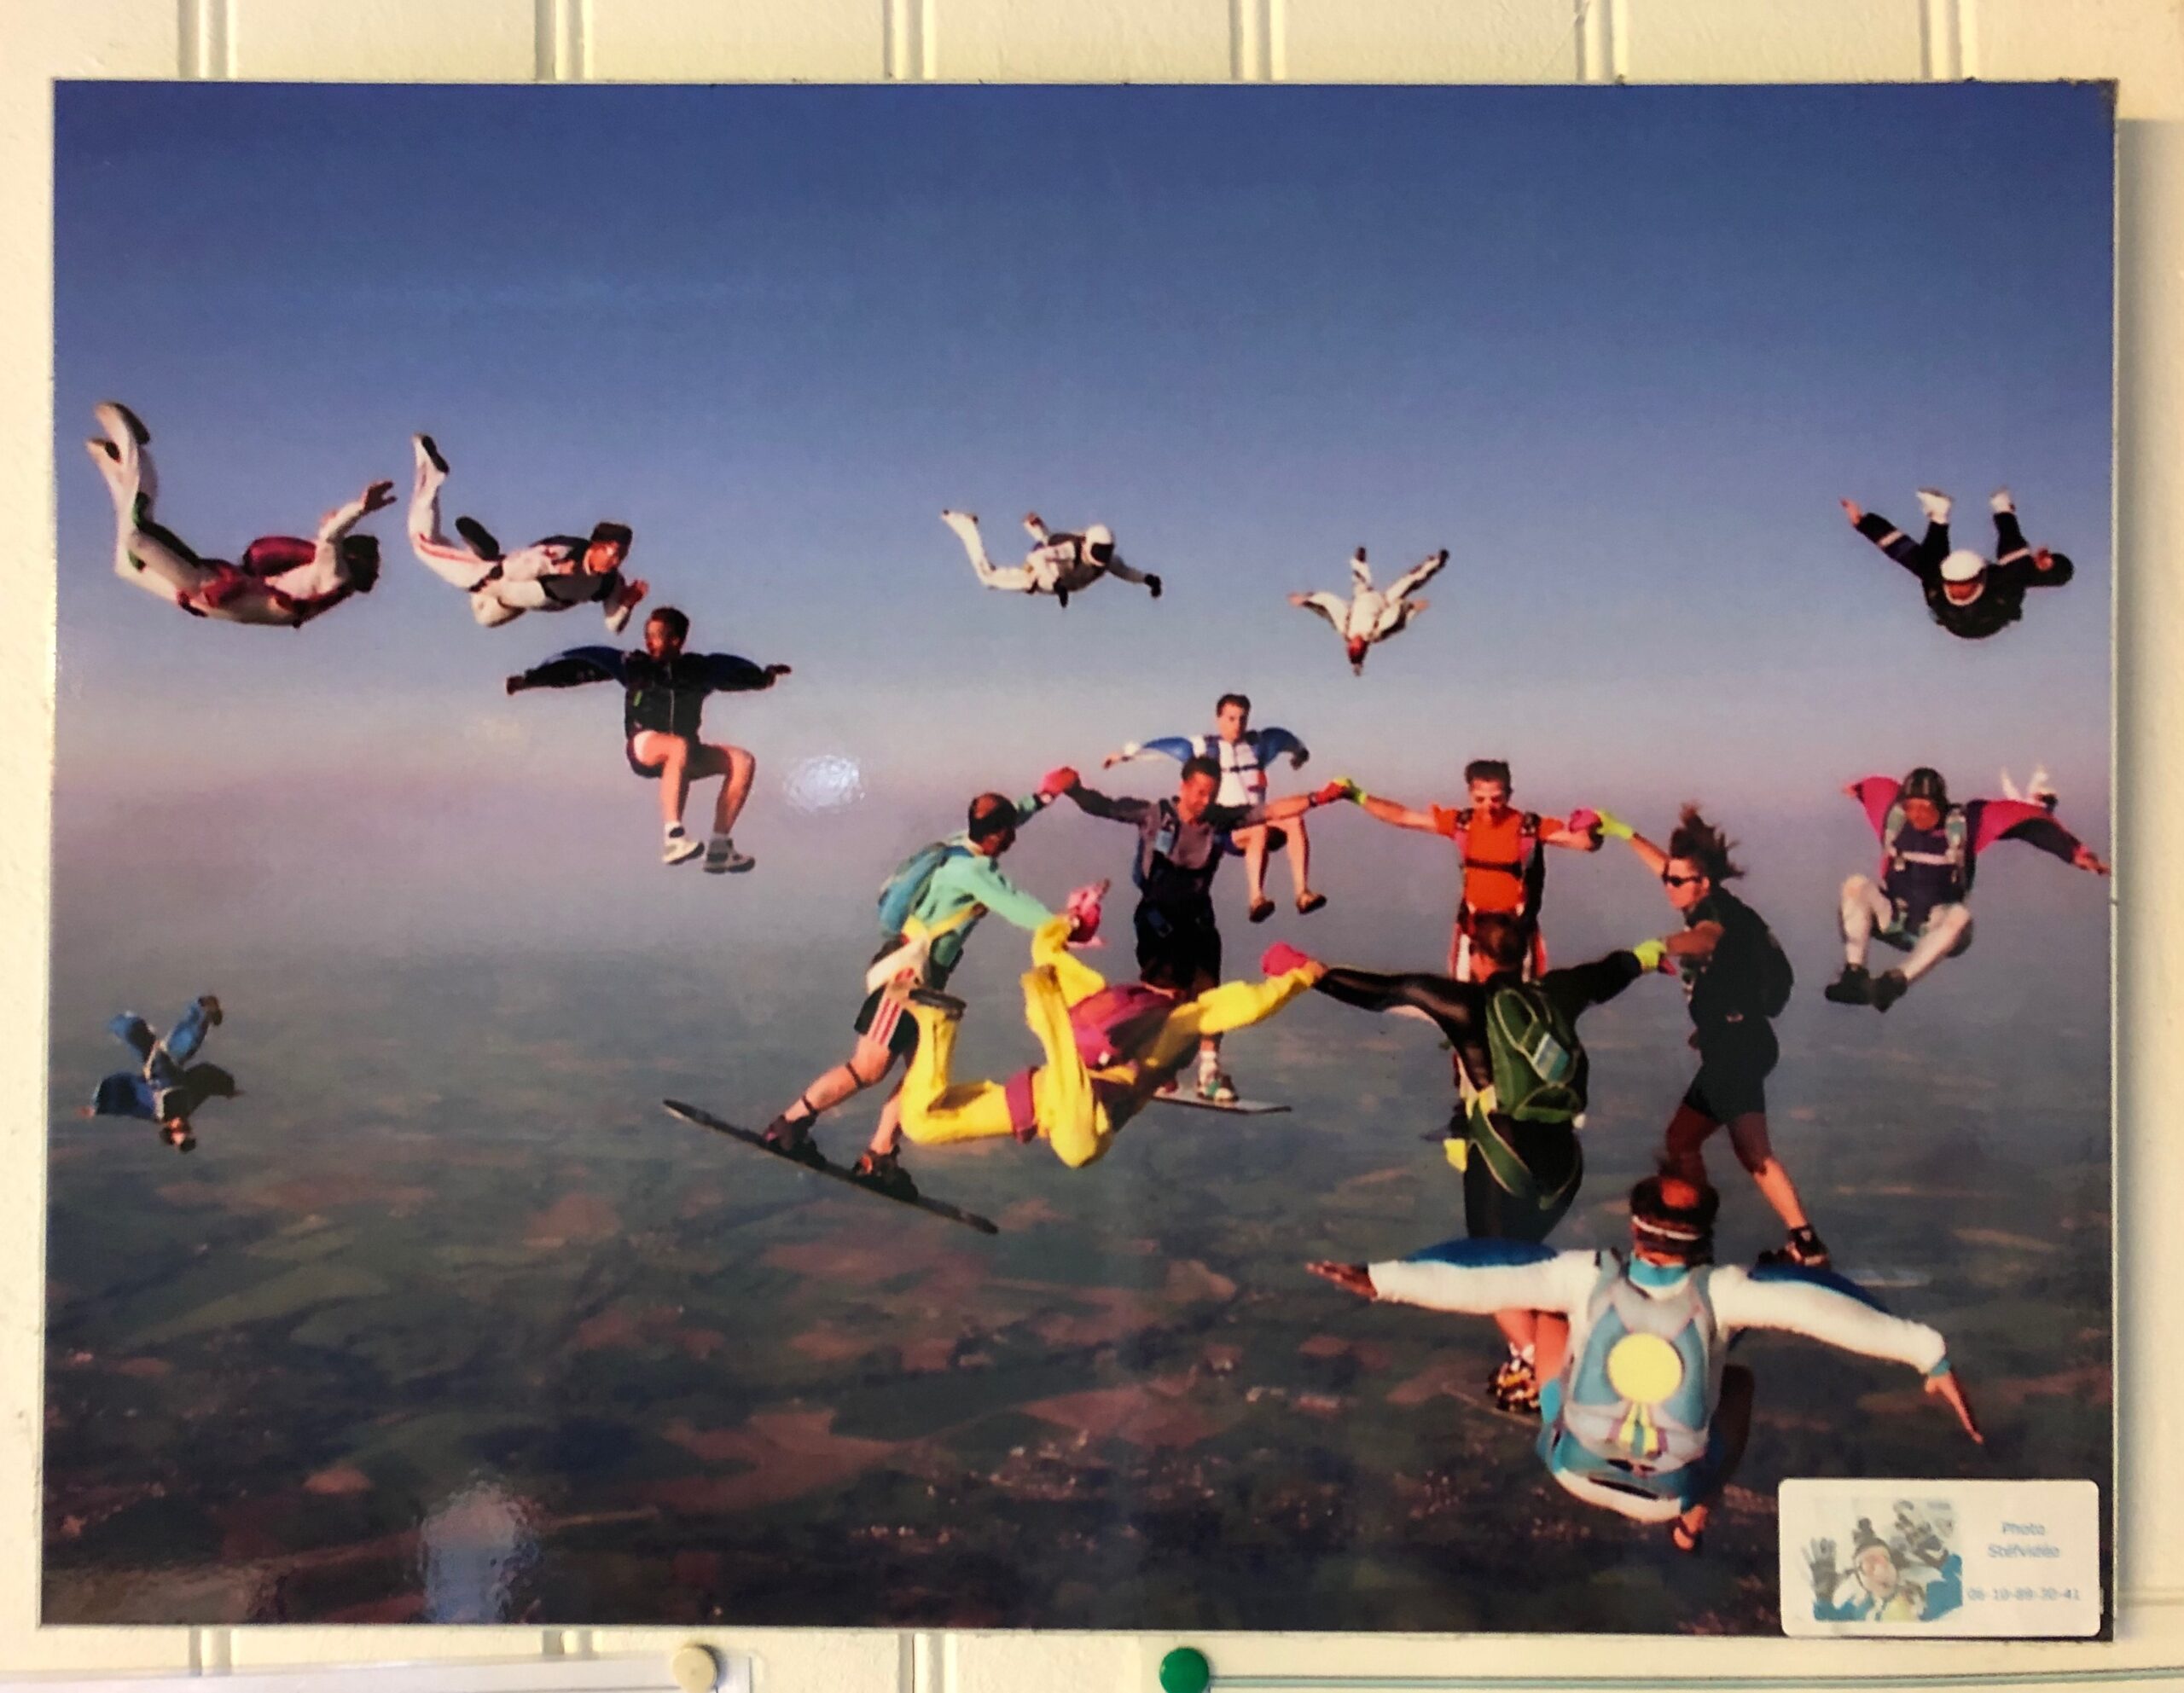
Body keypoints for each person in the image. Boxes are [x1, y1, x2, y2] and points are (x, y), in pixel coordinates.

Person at [1307, 1175, 1983, 1553]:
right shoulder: (1725, 1291)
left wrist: (1382, 1278)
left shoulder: (1584, 1274)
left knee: (1544, 1318)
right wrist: (1930, 1355)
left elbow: (1483, 1276)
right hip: (1670, 1498)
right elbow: (1832, 1315)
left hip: (1575, 1465)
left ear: (1636, 1230)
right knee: (1735, 1377)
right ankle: (1702, 1512)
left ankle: (1528, 1372)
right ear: (1705, 1237)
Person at [1303, 913, 1700, 1410]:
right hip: (1564, 1162)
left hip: (1503, 1152)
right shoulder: (1558, 992)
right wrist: (1648, 955)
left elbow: (1387, 991)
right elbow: (1614, 969)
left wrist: (1311, 975)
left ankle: (1540, 1367)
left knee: (1494, 1267)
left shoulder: (1466, 1001)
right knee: (1520, 1264)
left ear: (1476, 955)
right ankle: (1550, 1355)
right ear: (1529, 951)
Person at [758, 781, 1082, 1196]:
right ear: (999, 835)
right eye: (1009, 830)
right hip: (907, 980)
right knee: (870, 1067)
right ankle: (788, 1126)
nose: (1014, 836)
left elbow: (1003, 817)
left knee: (919, 1075)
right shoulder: (975, 872)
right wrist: (1070, 922)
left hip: (924, 982)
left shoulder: (958, 844)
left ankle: (879, 1155)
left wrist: (1041, 798)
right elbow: (1021, 907)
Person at [1591, 805, 1827, 1269]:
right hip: (1737, 1043)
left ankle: (1704, 1237)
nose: (1668, 886)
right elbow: (1666, 866)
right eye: (1668, 880)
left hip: (1738, 1047)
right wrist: (1623, 832)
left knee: (1745, 1152)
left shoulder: (1715, 912)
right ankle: (1800, 1242)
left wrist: (1661, 946)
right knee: (1693, 1141)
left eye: (1678, 882)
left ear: (1703, 883)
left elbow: (1706, 939)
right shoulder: (1709, 896)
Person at [894, 925, 1325, 1168]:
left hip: (1043, 1095)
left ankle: (939, 1024)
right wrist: (1298, 977)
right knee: (1078, 1150)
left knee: (921, 1124)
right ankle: (1046, 1025)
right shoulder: (1176, 1022)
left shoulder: (1105, 997)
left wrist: (1069, 922)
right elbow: (1240, 1007)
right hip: (1080, 1099)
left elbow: (1044, 949)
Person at [1058, 762, 1345, 1103]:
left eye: (1211, 793)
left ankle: (1209, 1071)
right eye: (1199, 792)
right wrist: (1073, 789)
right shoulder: (1154, 814)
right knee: (1165, 998)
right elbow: (1104, 806)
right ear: (1183, 787)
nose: (1204, 800)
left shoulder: (1219, 820)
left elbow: (1271, 810)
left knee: (1209, 994)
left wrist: (1318, 798)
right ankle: (1154, 1065)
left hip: (1197, 918)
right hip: (1157, 920)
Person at [505, 607, 789, 871]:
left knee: (742, 760)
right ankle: (673, 837)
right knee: (676, 745)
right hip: (645, 745)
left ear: (677, 641)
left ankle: (719, 846)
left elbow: (735, 677)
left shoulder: (699, 669)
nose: (649, 641)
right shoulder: (634, 665)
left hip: (686, 753)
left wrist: (765, 678)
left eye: (657, 636)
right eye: (647, 635)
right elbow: (580, 670)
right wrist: (529, 680)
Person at [1826, 766, 2109, 1011]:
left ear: (1941, 805)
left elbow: (2025, 822)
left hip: (1938, 929)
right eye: (1911, 807)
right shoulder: (1895, 819)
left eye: (1927, 808)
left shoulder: (1964, 824)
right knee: (1855, 886)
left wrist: (2073, 853)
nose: (1918, 815)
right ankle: (1854, 976)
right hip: (1895, 920)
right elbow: (1880, 788)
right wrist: (1860, 789)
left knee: (1959, 916)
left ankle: (1892, 984)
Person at [86, 403, 390, 628]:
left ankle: (127, 461)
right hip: (209, 590)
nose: (375, 575)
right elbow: (329, 538)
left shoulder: (334, 578)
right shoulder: (334, 576)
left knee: (129, 553)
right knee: (133, 541)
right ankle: (130, 451)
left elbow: (330, 538)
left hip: (211, 593)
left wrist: (357, 511)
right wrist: (355, 511)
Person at [1333, 759, 1602, 980]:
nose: (1489, 807)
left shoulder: (1526, 827)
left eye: (1497, 799)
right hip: (1473, 926)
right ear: (1470, 794)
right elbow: (1403, 817)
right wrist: (1357, 796)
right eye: (1480, 798)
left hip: (1515, 931)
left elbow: (1583, 843)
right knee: (1465, 996)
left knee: (1522, 998)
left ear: (1509, 794)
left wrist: (1596, 827)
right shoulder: (1462, 824)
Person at [1101, 693, 1326, 923]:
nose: (1237, 725)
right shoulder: (1205, 748)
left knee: (1295, 820)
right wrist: (1124, 755)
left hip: (1257, 818)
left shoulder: (1258, 744)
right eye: (1231, 718)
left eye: (1242, 719)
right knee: (1257, 830)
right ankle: (1256, 899)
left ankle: (1302, 893)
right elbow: (1166, 747)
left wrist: (1300, 756)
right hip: (1227, 827)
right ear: (1218, 719)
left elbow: (1288, 741)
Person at [409, 434, 648, 632]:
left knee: (484, 618)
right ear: (595, 545)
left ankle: (480, 551)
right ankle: (431, 475)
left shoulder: (611, 581)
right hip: (492, 578)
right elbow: (513, 568)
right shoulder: (564, 551)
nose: (617, 562)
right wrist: (554, 568)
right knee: (422, 543)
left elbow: (613, 625)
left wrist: (627, 604)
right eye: (613, 553)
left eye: (623, 556)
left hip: (513, 603)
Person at [1841, 487, 2074, 641]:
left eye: (1963, 586)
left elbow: (2061, 576)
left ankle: (2004, 510)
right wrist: (1863, 523)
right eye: (1952, 585)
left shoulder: (2001, 582)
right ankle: (1939, 514)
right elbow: (1899, 549)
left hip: (1993, 621)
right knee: (1926, 564)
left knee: (2018, 565)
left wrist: (2049, 565)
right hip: (1955, 625)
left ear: (1979, 578)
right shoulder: (1938, 580)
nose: (1957, 591)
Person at [83, 995, 235, 1153]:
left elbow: (126, 1106)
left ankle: (118, 1020)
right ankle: (203, 1010)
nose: (184, 1125)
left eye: (180, 1129)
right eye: (187, 1128)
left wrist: (99, 1107)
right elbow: (203, 1080)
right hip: (172, 1058)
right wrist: (227, 1088)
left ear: (169, 1129)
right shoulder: (188, 1104)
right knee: (192, 1039)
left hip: (152, 1059)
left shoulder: (152, 1110)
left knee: (130, 1031)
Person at [939, 509, 1162, 606]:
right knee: (987, 578)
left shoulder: (1106, 561)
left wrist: (1147, 579)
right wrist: (1055, 584)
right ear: (1088, 545)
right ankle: (967, 527)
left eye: (1106, 551)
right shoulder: (1072, 551)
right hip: (1041, 578)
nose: (1102, 557)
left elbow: (1124, 571)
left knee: (1051, 546)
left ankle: (1041, 532)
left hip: (1063, 583)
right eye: (1099, 551)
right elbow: (1036, 558)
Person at [1289, 545, 1447, 674]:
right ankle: (1436, 563)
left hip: (1362, 596)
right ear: (1361, 647)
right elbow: (1396, 621)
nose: (1353, 643)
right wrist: (1411, 608)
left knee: (1360, 581)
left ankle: (1359, 563)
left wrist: (1305, 601)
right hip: (1385, 601)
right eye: (1356, 646)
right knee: (1410, 581)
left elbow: (1328, 608)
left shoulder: (1346, 629)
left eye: (1351, 646)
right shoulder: (1375, 633)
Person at [1808, 1515, 1964, 1623]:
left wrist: (1944, 1559)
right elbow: (1827, 1628)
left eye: (1885, 1560)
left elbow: (1963, 1591)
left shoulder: (1921, 1596)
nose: (1880, 1571)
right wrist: (1824, 1599)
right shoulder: (1856, 1609)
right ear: (1859, 1579)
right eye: (1869, 1565)